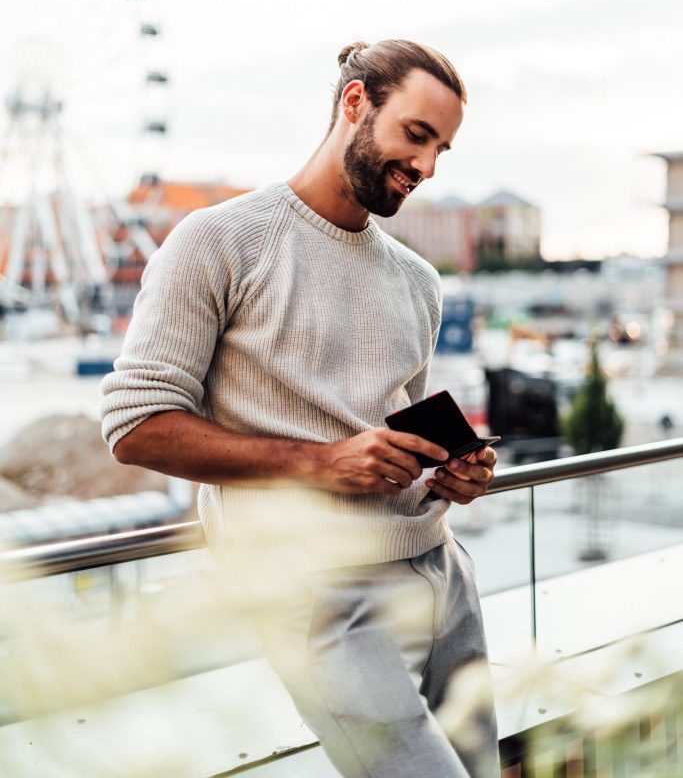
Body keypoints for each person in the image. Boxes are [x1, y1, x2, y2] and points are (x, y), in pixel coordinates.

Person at [101, 39, 499, 778]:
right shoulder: (217, 242)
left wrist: (456, 471)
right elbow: (134, 427)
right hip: (313, 588)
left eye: (442, 148)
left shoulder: (418, 281)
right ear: (354, 104)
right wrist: (322, 462)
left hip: (442, 570)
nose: (428, 167)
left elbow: (398, 430)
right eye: (416, 135)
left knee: (487, 771)